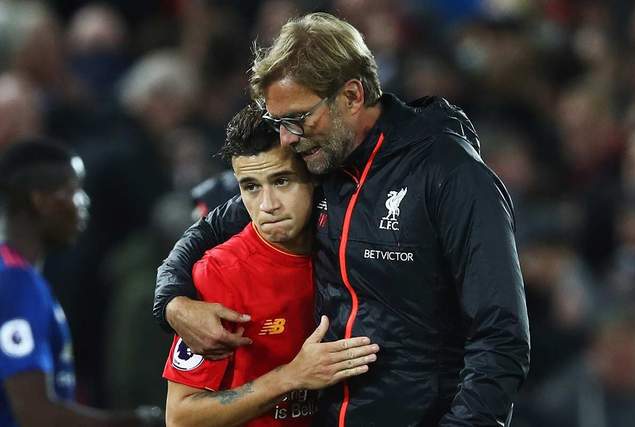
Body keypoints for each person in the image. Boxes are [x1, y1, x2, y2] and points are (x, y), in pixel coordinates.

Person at [154, 12, 530, 426]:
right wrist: (173, 302)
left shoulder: (450, 174)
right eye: (280, 123)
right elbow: (206, 231)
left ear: (352, 95)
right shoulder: (315, 165)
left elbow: (501, 338)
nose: (287, 139)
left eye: (298, 118)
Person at [163, 105, 379, 427]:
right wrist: (290, 377)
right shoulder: (222, 273)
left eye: (282, 181)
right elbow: (181, 418)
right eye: (250, 186)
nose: (267, 205)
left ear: (314, 176)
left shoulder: (348, 254)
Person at [0, 139, 163, 427]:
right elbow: (34, 414)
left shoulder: (18, 276)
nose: (84, 201)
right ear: (41, 200)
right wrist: (135, 422)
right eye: (74, 189)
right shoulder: (15, 282)